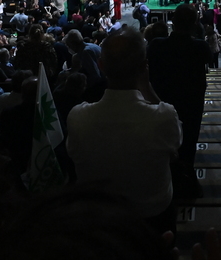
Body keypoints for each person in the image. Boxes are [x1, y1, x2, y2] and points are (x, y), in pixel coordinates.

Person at [66, 29, 182, 236]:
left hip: (98, 222)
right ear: (143, 67)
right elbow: (175, 143)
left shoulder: (77, 118)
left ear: (101, 66)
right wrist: (146, 86)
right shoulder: (164, 117)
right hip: (154, 218)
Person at [147, 4, 211, 171]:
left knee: (162, 142)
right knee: (188, 143)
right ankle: (186, 176)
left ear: (173, 22)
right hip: (192, 103)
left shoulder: (156, 45)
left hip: (162, 100)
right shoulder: (200, 47)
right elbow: (208, 57)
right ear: (195, 24)